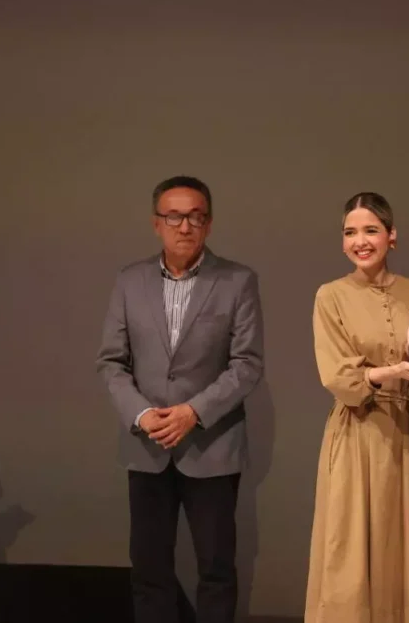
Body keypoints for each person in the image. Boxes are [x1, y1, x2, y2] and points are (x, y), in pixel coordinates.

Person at [96, 175, 264, 623]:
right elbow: (111, 362)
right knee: (149, 569)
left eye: (195, 217)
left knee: (216, 569)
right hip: (146, 445)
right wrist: (141, 413)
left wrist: (194, 412)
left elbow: (247, 363)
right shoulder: (129, 280)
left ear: (209, 223)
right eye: (174, 217)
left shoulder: (237, 280)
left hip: (212, 445)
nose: (184, 226)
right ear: (157, 223)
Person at [305, 192, 409, 623]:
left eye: (370, 230)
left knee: (403, 547)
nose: (360, 241)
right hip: (359, 433)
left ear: (391, 236)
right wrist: (395, 371)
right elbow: (339, 376)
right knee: (352, 551)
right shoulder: (331, 296)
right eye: (350, 232)